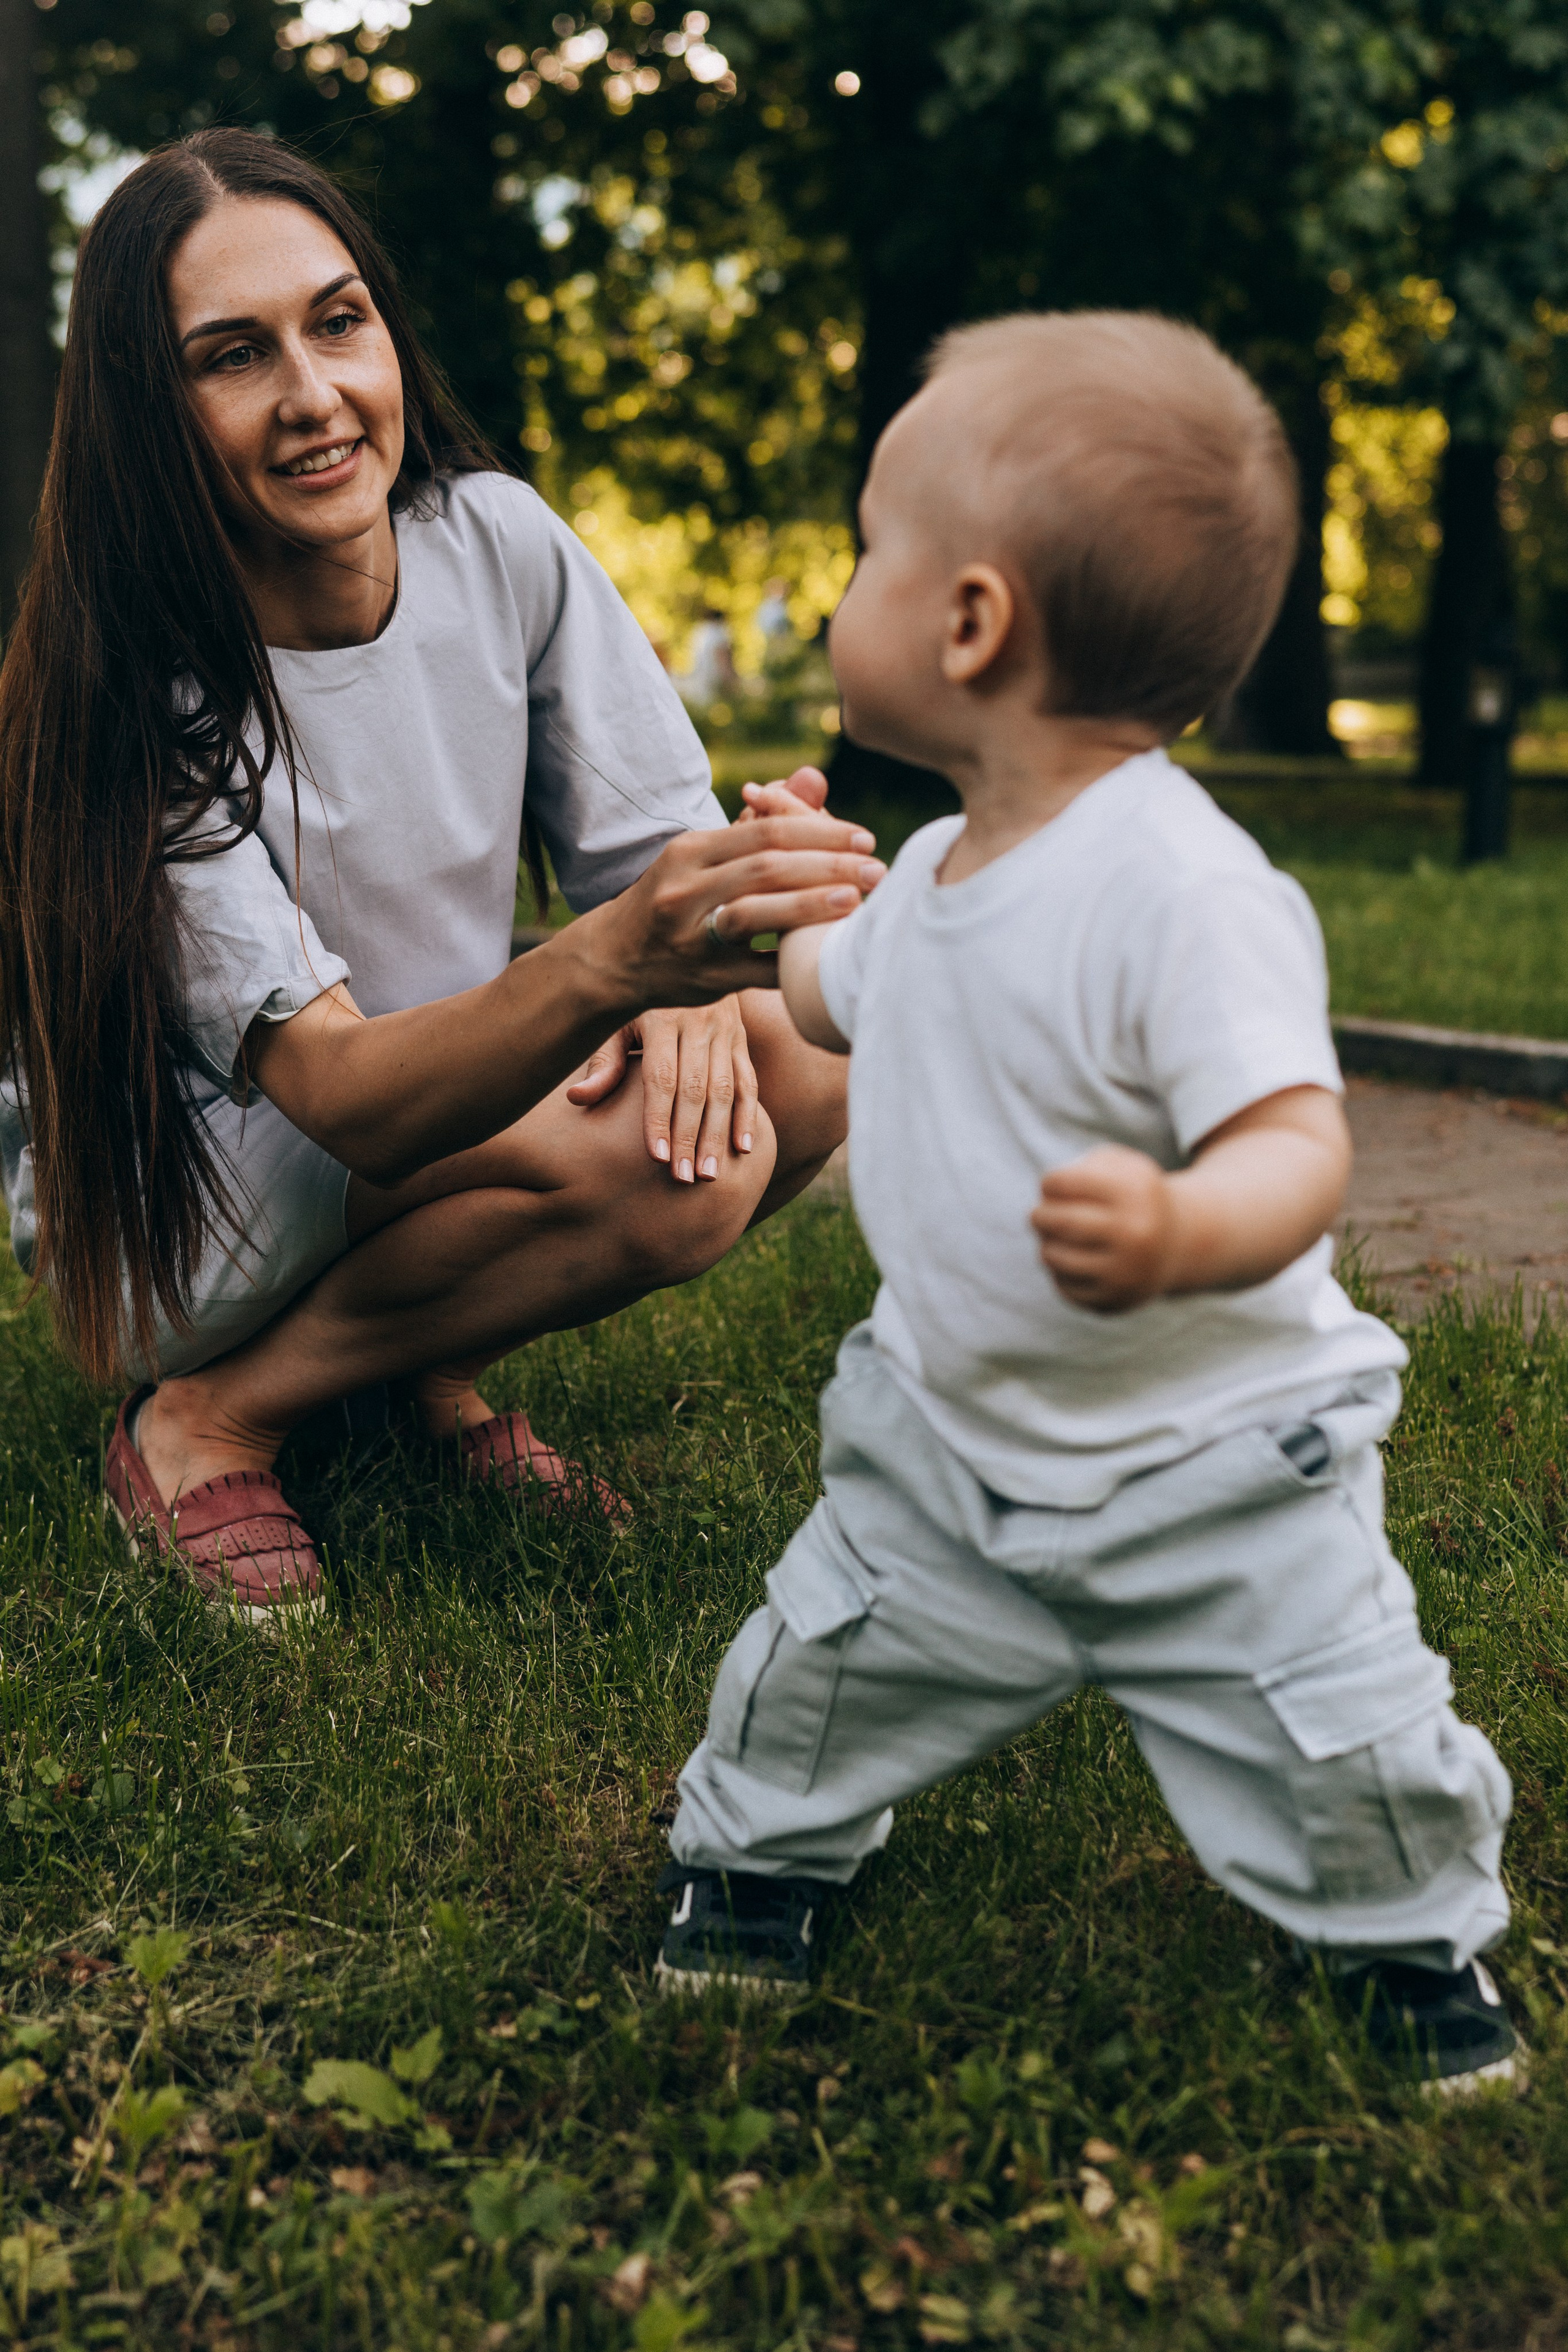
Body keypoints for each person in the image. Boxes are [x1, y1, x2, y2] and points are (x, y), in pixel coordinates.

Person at [650, 312, 1520, 2095]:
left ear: (970, 625)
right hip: (955, 1454)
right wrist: (731, 975)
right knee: (818, 1669)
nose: (844, 585)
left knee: (1347, 1738)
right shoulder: (932, 877)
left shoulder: (1184, 891)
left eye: (871, 548)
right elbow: (825, 990)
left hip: (1215, 1469)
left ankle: (1419, 1946)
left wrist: (1191, 1229)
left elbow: (1300, 1138)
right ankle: (751, 1862)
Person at [0, 129, 883, 1626]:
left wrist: (706, 955)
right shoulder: (136, 686)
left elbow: (652, 856)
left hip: (428, 1127)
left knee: (796, 1062)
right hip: (172, 1217)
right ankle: (206, 1422)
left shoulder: (498, 545)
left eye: (337, 322)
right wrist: (621, 969)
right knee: (680, 1176)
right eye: (233, 358)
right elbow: (340, 1089)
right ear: (154, 415)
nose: (315, 396)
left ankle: (418, 1381)